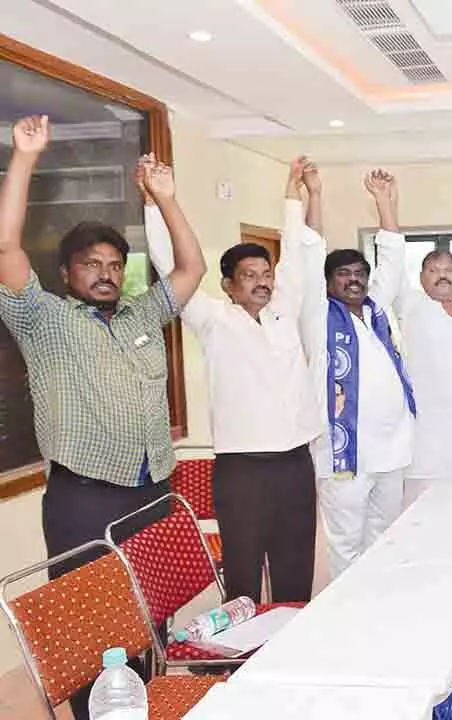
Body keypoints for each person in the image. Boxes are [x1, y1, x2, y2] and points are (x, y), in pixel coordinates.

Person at [0, 116, 205, 719]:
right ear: (66, 274)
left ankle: (152, 702)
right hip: (85, 499)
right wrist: (24, 158)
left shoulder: (140, 318)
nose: (106, 272)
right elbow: (7, 248)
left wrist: (167, 199)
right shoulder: (45, 323)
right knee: (95, 633)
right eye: (91, 264)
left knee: (153, 622)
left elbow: (190, 269)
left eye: (114, 263)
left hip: (151, 492)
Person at [144, 156, 323, 602]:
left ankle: (288, 651)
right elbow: (171, 264)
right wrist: (156, 202)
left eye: (266, 274)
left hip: (295, 463)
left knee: (295, 565)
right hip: (242, 470)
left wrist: (292, 191)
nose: (263, 283)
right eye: (250, 277)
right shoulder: (211, 319)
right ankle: (238, 662)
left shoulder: (285, 310)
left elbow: (297, 252)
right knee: (242, 571)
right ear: (228, 284)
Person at [301, 169, 418, 579]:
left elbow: (393, 261)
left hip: (390, 450)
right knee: (347, 541)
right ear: (327, 282)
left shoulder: (375, 311)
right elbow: (308, 253)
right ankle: (345, 617)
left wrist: (386, 203)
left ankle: (379, 603)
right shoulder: (316, 316)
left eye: (359, 274)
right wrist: (314, 195)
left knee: (386, 534)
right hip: (344, 455)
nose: (354, 280)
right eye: (343, 274)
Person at [380, 175, 452, 492]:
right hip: (428, 447)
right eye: (433, 270)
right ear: (421, 278)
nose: (442, 276)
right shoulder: (412, 305)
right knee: (425, 521)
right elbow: (391, 261)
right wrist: (386, 204)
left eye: (449, 270)